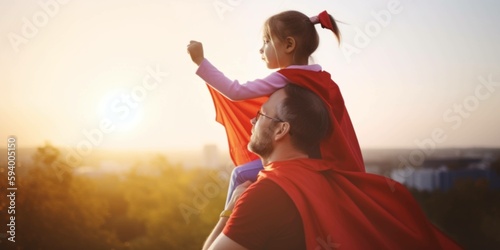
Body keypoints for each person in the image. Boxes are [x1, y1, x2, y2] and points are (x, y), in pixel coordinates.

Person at [202, 84, 462, 250]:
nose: (252, 120)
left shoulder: (264, 195)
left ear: (282, 129)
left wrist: (229, 211)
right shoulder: (328, 180)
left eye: (261, 114)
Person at [188, 10, 342, 208]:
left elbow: (236, 91)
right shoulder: (321, 79)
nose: (261, 50)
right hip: (321, 160)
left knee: (240, 174)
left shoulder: (286, 77)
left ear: (289, 45)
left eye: (267, 41)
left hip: (295, 162)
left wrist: (201, 61)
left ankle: (228, 225)